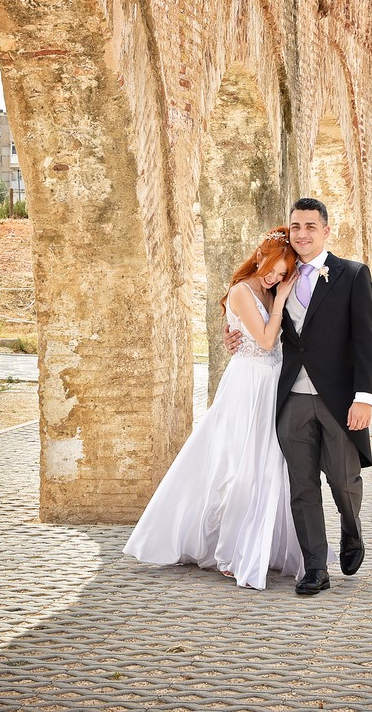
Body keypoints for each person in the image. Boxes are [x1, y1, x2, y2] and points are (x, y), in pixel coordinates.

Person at [124, 227, 316, 590]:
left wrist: (278, 296)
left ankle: (261, 544)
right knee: (237, 463)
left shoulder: (270, 290)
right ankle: (228, 549)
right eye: (271, 269)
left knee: (268, 464)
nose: (274, 278)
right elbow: (265, 340)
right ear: (259, 256)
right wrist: (279, 300)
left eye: (282, 274)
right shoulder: (242, 290)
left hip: (273, 383)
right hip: (247, 385)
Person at [226, 198, 372, 595]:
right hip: (290, 396)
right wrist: (233, 336)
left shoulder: (353, 275)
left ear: (325, 231)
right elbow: (257, 323)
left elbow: (366, 342)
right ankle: (315, 568)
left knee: (343, 480)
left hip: (338, 399)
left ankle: (352, 530)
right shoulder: (281, 278)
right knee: (301, 485)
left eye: (311, 226)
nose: (302, 233)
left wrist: (364, 397)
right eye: (296, 226)